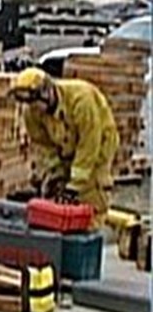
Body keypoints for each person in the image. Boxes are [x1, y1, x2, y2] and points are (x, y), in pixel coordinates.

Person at [10, 68, 119, 229]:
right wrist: (54, 175)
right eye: (28, 103)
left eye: (34, 102)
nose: (33, 108)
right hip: (66, 148)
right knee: (59, 198)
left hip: (98, 146)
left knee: (91, 198)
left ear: (47, 92)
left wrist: (75, 186)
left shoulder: (81, 100)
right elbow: (44, 148)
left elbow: (89, 146)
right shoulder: (32, 112)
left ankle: (90, 235)